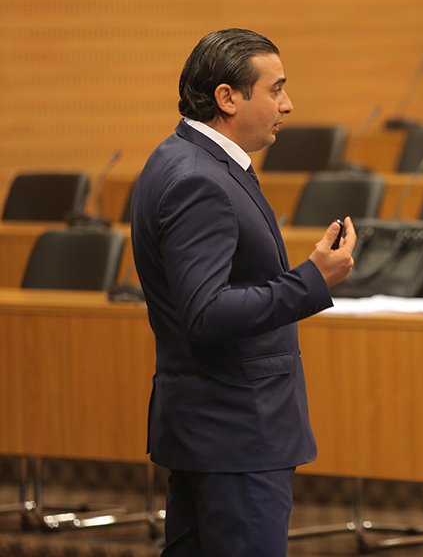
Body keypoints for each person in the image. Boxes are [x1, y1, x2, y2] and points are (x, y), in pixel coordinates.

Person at [130, 28, 356, 556]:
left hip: (207, 426)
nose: (287, 104)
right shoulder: (199, 180)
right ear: (227, 98)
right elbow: (206, 313)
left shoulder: (178, 158)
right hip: (236, 430)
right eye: (275, 89)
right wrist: (312, 280)